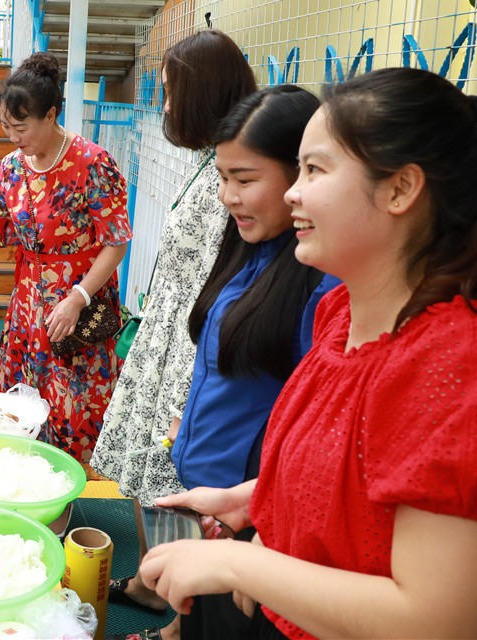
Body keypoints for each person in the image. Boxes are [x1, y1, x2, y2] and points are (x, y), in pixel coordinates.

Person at [143, 68, 477, 640]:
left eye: (313, 170)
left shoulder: (462, 364)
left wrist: (242, 564)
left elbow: (439, 621)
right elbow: (359, 484)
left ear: (400, 190)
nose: (293, 191)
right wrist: (253, 498)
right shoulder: (341, 316)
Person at [167, 85, 340, 638]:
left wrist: (265, 515)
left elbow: (313, 425)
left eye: (245, 180)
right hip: (214, 498)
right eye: (222, 179)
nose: (227, 196)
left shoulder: (319, 284)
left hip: (254, 516)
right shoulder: (250, 247)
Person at [0, 52, 132, 461]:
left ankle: (70, 502)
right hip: (27, 308)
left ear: (51, 115)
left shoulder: (92, 163)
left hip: (78, 308)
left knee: (74, 412)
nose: (12, 136)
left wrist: (77, 298)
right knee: (18, 411)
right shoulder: (11, 167)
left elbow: (117, 241)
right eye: (5, 125)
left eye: (21, 127)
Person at [92, 29, 258, 498]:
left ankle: (162, 570)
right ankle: (152, 570)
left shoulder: (229, 174)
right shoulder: (211, 160)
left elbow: (221, 285)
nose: (164, 105)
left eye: (170, 92)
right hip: (174, 336)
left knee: (174, 476)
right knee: (156, 473)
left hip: (192, 346)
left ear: (202, 93)